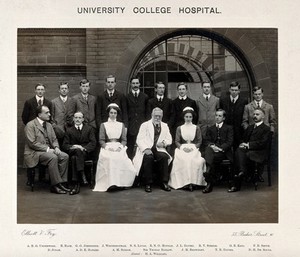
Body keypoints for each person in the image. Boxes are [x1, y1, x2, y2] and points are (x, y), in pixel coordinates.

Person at [24, 105, 69, 194]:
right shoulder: (30, 125)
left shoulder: (49, 125)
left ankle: (62, 183)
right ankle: (55, 186)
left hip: (48, 151)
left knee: (65, 156)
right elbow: (32, 143)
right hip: (34, 153)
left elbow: (54, 139)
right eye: (47, 112)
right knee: (53, 157)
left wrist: (56, 147)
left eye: (49, 112)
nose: (50, 114)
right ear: (39, 114)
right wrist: (48, 149)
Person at [93, 103, 136, 192]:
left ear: (117, 114)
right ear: (108, 113)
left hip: (118, 146)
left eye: (115, 113)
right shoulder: (103, 125)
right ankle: (110, 183)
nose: (113, 115)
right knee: (110, 159)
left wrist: (120, 147)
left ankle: (121, 183)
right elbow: (101, 140)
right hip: (107, 147)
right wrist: (107, 147)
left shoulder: (121, 124)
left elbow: (124, 140)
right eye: (111, 113)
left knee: (122, 159)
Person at [229, 108, 271, 192]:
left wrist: (248, 145)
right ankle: (242, 172)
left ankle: (238, 180)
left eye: (257, 114)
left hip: (259, 152)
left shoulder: (266, 129)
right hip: (248, 151)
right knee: (239, 150)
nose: (255, 116)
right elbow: (244, 139)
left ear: (263, 116)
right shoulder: (250, 127)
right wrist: (242, 144)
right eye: (254, 114)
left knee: (239, 154)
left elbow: (262, 143)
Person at [133, 107, 173, 193]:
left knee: (164, 157)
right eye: (156, 116)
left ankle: (164, 182)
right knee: (148, 158)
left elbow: (169, 139)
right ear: (152, 115)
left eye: (159, 116)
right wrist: (145, 149)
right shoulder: (145, 125)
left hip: (158, 149)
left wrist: (164, 143)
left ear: (162, 116)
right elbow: (139, 139)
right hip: (147, 148)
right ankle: (148, 183)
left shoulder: (165, 126)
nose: (157, 118)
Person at [168, 107, 206, 191]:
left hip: (194, 148)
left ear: (192, 117)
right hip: (182, 148)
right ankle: (183, 183)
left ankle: (193, 182)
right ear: (183, 117)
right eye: (186, 116)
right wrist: (183, 148)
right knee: (182, 160)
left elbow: (199, 141)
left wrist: (193, 148)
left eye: (190, 117)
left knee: (194, 161)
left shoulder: (196, 128)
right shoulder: (179, 128)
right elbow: (177, 141)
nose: (188, 119)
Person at [62, 112, 96, 195]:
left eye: (80, 118)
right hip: (73, 151)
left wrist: (83, 148)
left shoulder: (89, 129)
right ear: (73, 119)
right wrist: (74, 146)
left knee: (74, 158)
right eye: (76, 117)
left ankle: (76, 184)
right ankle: (82, 174)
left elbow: (93, 143)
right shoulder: (69, 130)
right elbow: (64, 145)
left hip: (85, 153)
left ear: (83, 119)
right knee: (77, 151)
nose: (77, 119)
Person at [202, 109, 233, 193]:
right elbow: (206, 140)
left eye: (220, 116)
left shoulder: (228, 128)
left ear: (224, 118)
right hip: (212, 151)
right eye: (216, 115)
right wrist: (212, 146)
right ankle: (210, 181)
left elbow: (229, 142)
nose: (217, 117)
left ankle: (209, 177)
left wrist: (220, 148)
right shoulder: (211, 128)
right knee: (208, 149)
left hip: (224, 152)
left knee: (211, 156)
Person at [219, 81, 248, 149]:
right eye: (232, 90)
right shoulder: (223, 100)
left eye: (236, 90)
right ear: (229, 90)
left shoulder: (244, 101)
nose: (234, 92)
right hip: (226, 130)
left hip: (238, 131)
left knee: (237, 150)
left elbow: (244, 116)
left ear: (239, 91)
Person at [126, 77, 149, 159]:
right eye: (133, 83)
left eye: (137, 83)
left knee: (141, 148)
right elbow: (125, 112)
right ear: (131, 84)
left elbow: (147, 113)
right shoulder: (127, 97)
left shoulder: (145, 97)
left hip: (141, 126)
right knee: (130, 149)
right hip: (131, 127)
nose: (135, 85)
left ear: (139, 84)